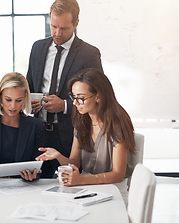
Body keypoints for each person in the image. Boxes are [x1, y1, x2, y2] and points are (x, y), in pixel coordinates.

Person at [26, 0, 103, 178]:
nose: (57, 33)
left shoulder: (89, 53)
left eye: (64, 28)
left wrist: (66, 105)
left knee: (70, 189)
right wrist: (29, 101)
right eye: (54, 26)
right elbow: (29, 85)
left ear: (76, 23)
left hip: (72, 134)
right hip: (39, 132)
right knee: (35, 185)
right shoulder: (37, 48)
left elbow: (98, 95)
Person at [36, 68, 135, 201]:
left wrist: (81, 179)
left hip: (113, 189)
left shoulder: (117, 124)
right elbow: (74, 163)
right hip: (86, 187)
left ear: (98, 96)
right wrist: (58, 156)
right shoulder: (82, 119)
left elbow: (118, 174)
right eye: (74, 97)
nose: (75, 103)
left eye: (81, 98)